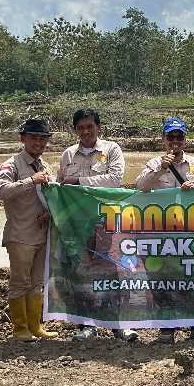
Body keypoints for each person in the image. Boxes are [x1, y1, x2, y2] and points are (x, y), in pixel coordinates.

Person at [58, 108, 133, 342]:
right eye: (80, 128)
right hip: (76, 224)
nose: (86, 131)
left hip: (104, 222)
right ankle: (86, 325)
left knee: (110, 271)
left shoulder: (111, 149)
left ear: (98, 127)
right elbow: (60, 186)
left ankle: (116, 324)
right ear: (75, 130)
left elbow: (114, 180)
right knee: (80, 273)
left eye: (90, 126)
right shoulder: (68, 155)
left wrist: (78, 181)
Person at [136, 117, 194, 343]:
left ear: (185, 140)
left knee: (191, 277)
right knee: (160, 278)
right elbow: (141, 186)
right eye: (171, 137)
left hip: (189, 230)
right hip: (160, 232)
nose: (175, 142)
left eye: (179, 137)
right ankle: (167, 328)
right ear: (164, 140)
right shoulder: (153, 163)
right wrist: (162, 168)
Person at [0, 119, 58, 342]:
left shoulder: (46, 166)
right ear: (22, 139)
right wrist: (31, 180)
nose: (39, 143)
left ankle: (36, 326)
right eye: (34, 138)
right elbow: (2, 191)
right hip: (21, 234)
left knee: (36, 283)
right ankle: (19, 328)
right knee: (19, 282)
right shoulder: (11, 165)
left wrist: (49, 212)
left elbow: (51, 196)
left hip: (42, 233)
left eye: (43, 139)